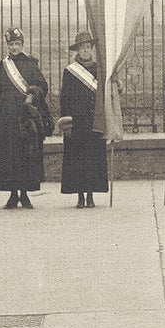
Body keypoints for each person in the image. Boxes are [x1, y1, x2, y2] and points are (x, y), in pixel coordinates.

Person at [0, 27, 50, 208]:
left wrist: (32, 94)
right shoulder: (2, 67)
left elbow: (42, 86)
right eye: (11, 44)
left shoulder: (31, 64)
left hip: (25, 118)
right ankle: (13, 194)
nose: (14, 47)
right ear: (7, 45)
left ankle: (24, 194)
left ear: (22, 44)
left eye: (17, 44)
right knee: (8, 157)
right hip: (6, 119)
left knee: (25, 155)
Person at [58, 30, 109, 207]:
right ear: (77, 51)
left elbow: (106, 95)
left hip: (94, 121)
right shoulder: (70, 71)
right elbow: (65, 98)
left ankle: (91, 194)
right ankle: (80, 195)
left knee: (93, 159)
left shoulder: (100, 70)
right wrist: (68, 123)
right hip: (77, 122)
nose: (86, 50)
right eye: (82, 48)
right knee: (78, 159)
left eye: (88, 47)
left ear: (92, 49)